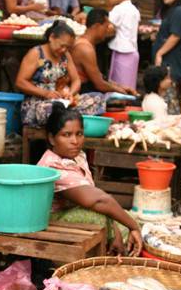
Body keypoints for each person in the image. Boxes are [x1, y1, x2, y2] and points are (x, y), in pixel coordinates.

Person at [37, 103, 143, 255]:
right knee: (102, 220)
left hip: (77, 211)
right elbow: (99, 201)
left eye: (79, 134)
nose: (75, 141)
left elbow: (97, 198)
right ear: (52, 139)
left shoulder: (78, 156)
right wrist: (133, 228)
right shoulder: (52, 165)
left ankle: (116, 253)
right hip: (53, 221)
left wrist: (118, 229)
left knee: (127, 217)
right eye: (66, 135)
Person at [16, 21, 107, 128]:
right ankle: (68, 117)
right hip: (38, 105)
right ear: (51, 37)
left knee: (98, 99)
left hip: (62, 103)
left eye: (68, 48)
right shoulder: (36, 53)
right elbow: (20, 82)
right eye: (62, 46)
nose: (64, 50)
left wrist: (71, 94)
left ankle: (67, 116)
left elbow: (76, 80)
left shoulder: (65, 55)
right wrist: (45, 93)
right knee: (52, 109)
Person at [70, 8, 138, 96]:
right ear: (97, 26)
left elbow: (99, 76)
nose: (107, 31)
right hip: (82, 93)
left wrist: (121, 87)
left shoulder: (87, 44)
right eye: (106, 27)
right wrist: (123, 92)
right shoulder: (84, 48)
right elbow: (99, 84)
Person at [152, 0, 181, 115]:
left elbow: (175, 36)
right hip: (169, 64)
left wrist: (159, 53)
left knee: (169, 108)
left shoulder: (180, 11)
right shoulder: (173, 10)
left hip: (171, 65)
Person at [106, 0, 140, 90]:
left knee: (118, 89)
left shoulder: (119, 9)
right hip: (133, 52)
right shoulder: (133, 9)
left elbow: (106, 24)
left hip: (122, 52)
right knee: (129, 88)